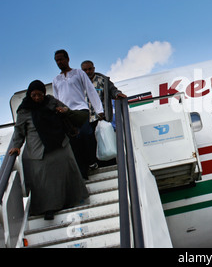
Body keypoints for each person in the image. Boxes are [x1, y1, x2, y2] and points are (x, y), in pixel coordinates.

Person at [9, 80, 89, 220]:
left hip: (59, 143)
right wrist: (16, 146)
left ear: (44, 94)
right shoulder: (24, 110)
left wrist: (63, 110)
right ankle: (48, 209)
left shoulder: (51, 101)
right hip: (39, 150)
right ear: (29, 95)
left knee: (66, 173)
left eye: (40, 95)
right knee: (44, 182)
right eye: (34, 95)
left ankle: (72, 200)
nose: (37, 98)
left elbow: (65, 109)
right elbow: (19, 131)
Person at [53, 49, 105, 179]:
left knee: (87, 134)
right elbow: (56, 99)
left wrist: (99, 110)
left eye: (61, 59)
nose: (59, 62)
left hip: (81, 110)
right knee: (74, 142)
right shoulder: (56, 80)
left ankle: (92, 161)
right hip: (66, 114)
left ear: (67, 59)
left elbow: (91, 90)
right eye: (57, 60)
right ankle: (83, 173)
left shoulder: (78, 73)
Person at [81, 60, 127, 168]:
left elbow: (112, 90)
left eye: (90, 69)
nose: (88, 71)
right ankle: (96, 164)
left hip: (102, 117)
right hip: (87, 118)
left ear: (94, 68)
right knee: (91, 142)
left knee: (105, 140)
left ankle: (110, 165)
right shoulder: (79, 82)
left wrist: (117, 94)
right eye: (85, 70)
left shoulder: (103, 80)